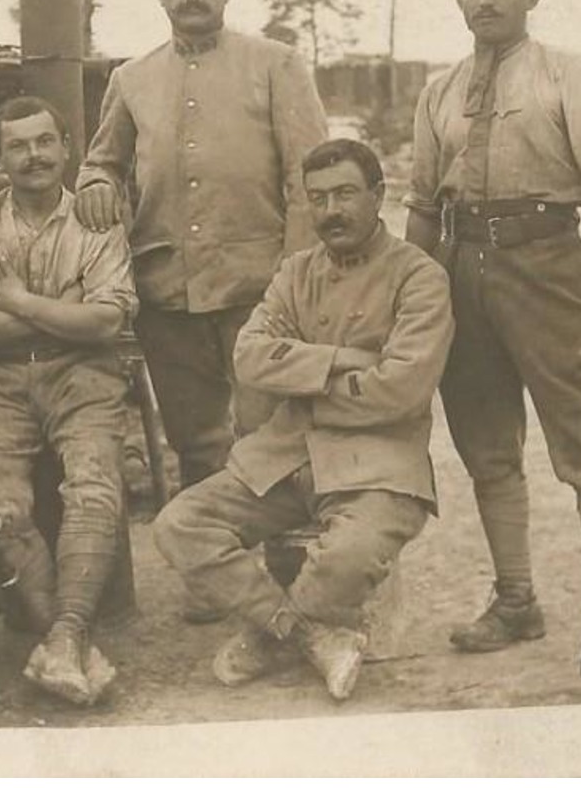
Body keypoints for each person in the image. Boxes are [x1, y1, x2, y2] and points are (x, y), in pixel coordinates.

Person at [403, 0, 581, 653]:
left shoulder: (567, 73)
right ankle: (516, 600)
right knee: (486, 445)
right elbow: (422, 206)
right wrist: (405, 289)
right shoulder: (437, 90)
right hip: (459, 271)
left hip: (548, 265)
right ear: (458, 1)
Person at [154, 139, 453, 701]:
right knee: (177, 525)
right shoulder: (295, 272)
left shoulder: (419, 276)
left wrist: (301, 384)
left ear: (378, 196)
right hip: (287, 455)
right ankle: (301, 632)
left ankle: (270, 636)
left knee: (351, 556)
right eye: (318, 199)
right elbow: (249, 356)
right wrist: (344, 361)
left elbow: (402, 388)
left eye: (345, 194)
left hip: (379, 463)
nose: (331, 211)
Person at [75, 0, 330, 504]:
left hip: (260, 290)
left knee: (269, 434)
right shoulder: (132, 78)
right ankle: (216, 566)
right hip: (168, 292)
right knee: (195, 444)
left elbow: (310, 177)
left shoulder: (276, 64)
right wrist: (95, 182)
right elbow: (102, 160)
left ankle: (285, 565)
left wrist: (297, 277)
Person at [0, 96, 138, 706]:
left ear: (66, 147)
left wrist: (18, 303)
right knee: (2, 504)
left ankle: (65, 633)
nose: (34, 157)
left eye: (45, 142)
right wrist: (65, 309)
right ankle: (68, 637)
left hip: (82, 376)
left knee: (95, 485)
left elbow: (105, 326)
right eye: (18, 146)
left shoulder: (97, 224)